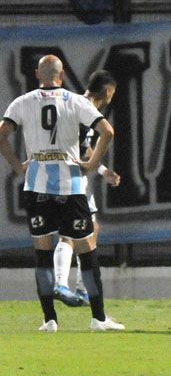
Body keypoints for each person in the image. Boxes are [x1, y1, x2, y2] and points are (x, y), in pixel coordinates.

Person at [0, 55, 122, 332]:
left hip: (37, 188)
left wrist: (18, 166)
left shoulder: (23, 102)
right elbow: (108, 131)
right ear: (62, 74)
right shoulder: (76, 101)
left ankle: (49, 320)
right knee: (86, 251)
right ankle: (98, 318)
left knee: (42, 253)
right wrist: (92, 164)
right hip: (71, 187)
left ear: (36, 74)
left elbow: (1, 135)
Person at [53, 71, 121, 308]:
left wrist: (103, 172)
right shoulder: (86, 109)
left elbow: (85, 150)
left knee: (89, 230)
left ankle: (79, 288)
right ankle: (63, 284)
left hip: (61, 176)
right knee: (72, 234)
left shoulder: (74, 104)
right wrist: (87, 165)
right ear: (108, 91)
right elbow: (103, 137)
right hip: (70, 179)